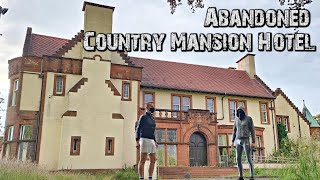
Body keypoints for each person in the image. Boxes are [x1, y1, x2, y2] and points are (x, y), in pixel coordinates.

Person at [232, 106, 256, 180]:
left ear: (244, 112)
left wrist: (253, 141)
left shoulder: (249, 119)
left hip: (246, 140)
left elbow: (252, 130)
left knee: (248, 158)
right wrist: (232, 141)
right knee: (238, 159)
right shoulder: (236, 119)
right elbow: (234, 130)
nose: (239, 113)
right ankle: (241, 176)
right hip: (238, 140)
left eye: (241, 112)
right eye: (238, 112)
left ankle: (252, 176)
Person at [135, 102, 158, 180]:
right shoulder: (143, 117)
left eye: (153, 107)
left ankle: (150, 177)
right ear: (147, 107)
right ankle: (141, 178)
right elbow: (138, 128)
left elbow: (153, 131)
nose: (153, 108)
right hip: (144, 139)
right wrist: (137, 141)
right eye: (151, 106)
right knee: (143, 160)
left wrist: (155, 141)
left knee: (153, 160)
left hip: (152, 140)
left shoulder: (153, 119)